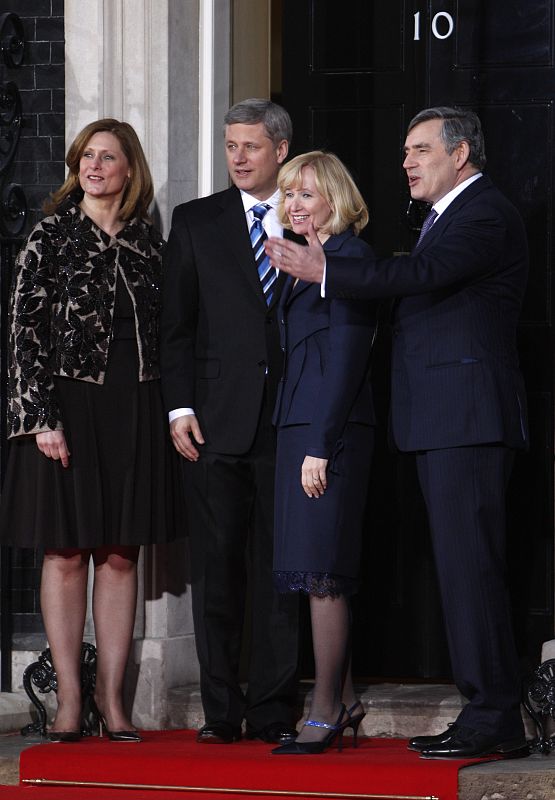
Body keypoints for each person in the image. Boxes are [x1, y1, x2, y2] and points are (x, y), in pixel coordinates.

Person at [265, 107, 530, 759]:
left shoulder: (485, 213)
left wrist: (324, 271)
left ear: (460, 153)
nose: (406, 161)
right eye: (404, 150)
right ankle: (484, 708)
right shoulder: (444, 218)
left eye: (419, 149)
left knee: (472, 570)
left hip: (465, 418)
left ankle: (493, 715)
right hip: (442, 421)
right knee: (461, 570)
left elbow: (416, 277)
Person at [0, 119, 184, 742]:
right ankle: (71, 703)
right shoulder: (50, 236)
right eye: (86, 157)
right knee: (65, 551)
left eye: (108, 158)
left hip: (134, 408)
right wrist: (39, 417)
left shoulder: (148, 243)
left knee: (120, 553)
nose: (95, 166)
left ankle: (114, 701)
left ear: (130, 170)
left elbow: (169, 333)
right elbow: (22, 332)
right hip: (66, 412)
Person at [160, 98, 299, 745]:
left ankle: (273, 709)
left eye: (249, 146)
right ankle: (221, 714)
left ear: (279, 149)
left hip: (290, 426)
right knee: (217, 573)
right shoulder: (195, 222)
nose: (237, 157)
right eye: (229, 146)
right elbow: (176, 329)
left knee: (281, 573)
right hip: (212, 426)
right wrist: (179, 407)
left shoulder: (308, 213)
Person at [267, 152, 378, 756]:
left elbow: (346, 361)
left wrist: (320, 446)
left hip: (326, 435)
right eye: (289, 196)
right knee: (317, 567)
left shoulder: (352, 259)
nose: (294, 205)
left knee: (324, 575)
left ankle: (326, 710)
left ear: (336, 196)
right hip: (298, 428)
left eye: (306, 194)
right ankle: (348, 699)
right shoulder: (301, 264)